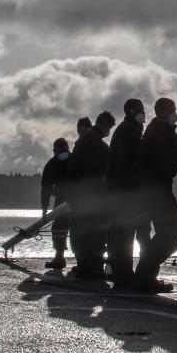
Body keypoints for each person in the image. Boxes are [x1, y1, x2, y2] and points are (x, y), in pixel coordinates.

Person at [134, 97, 177, 293]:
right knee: (170, 235)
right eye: (172, 109)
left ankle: (145, 274)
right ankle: (145, 275)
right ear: (162, 111)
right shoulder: (159, 133)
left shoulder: (156, 130)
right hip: (158, 191)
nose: (175, 113)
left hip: (153, 190)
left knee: (165, 234)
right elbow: (168, 167)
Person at [66, 111, 116, 279]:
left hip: (78, 195)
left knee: (81, 233)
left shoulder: (83, 140)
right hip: (90, 196)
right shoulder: (96, 144)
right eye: (109, 127)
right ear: (104, 124)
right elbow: (96, 172)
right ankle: (91, 267)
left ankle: (85, 265)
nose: (109, 131)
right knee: (93, 233)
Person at [106, 99, 149, 288]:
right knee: (125, 234)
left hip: (118, 191)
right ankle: (124, 273)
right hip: (127, 192)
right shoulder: (130, 131)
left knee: (121, 233)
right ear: (131, 111)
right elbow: (132, 161)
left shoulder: (124, 129)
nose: (143, 113)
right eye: (140, 110)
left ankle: (120, 271)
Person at [41, 138, 72, 269]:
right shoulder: (74, 159)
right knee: (62, 229)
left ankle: (60, 257)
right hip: (73, 201)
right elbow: (46, 188)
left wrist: (44, 209)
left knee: (59, 229)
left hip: (68, 201)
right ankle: (62, 258)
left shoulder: (52, 163)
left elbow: (46, 189)